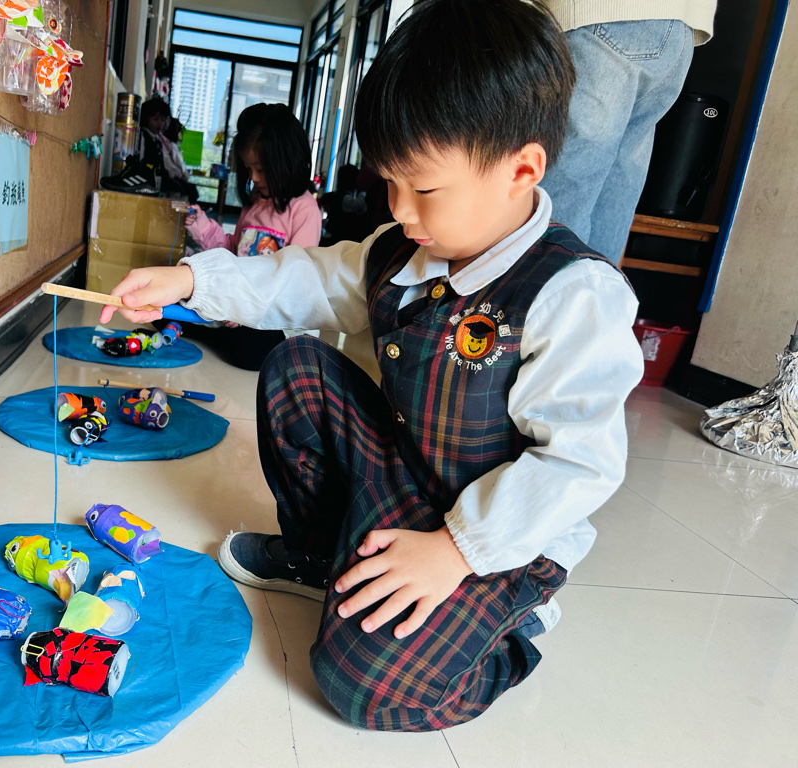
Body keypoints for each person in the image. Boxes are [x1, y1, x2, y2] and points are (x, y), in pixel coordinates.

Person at [101, 0, 643, 731]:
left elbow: (578, 465)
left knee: (363, 685)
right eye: (391, 183)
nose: (402, 210)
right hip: (408, 478)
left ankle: (510, 633)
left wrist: (456, 551)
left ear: (521, 170)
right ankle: (323, 558)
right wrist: (191, 280)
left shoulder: (572, 294)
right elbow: (300, 279)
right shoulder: (399, 249)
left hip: (500, 534)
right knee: (297, 367)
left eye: (425, 189)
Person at [539, 2, 717, 261]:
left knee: (563, 180)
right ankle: (585, 286)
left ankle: (539, 284)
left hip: (604, 16)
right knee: (618, 180)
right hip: (679, 29)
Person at [175, 102, 321, 371]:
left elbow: (293, 282)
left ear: (287, 161)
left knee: (250, 349)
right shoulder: (255, 201)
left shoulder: (305, 209)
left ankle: (212, 331)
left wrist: (244, 308)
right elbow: (232, 251)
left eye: (261, 169)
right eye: (248, 168)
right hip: (237, 306)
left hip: (275, 316)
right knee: (173, 301)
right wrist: (201, 226)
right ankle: (215, 329)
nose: (253, 178)